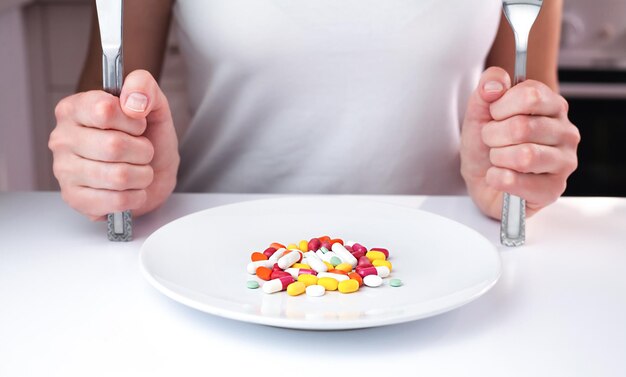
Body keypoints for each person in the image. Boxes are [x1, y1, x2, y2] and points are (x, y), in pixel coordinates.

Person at [49, 0, 580, 222]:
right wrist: (113, 168)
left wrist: (517, 171)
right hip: (210, 258)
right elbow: (106, 117)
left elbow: (531, 113)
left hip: (451, 260)